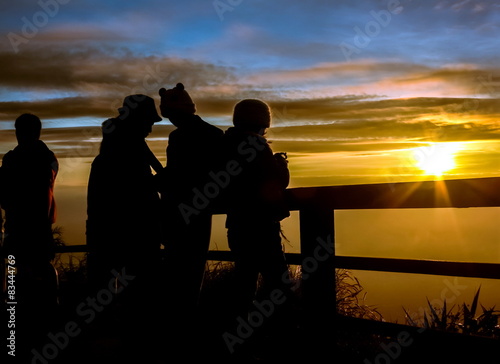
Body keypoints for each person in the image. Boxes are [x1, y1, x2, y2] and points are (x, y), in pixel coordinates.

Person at [86, 94, 164, 359]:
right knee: (139, 294)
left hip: (107, 233)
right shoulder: (129, 152)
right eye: (149, 121)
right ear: (138, 120)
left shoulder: (116, 148)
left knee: (105, 292)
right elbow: (137, 191)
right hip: (133, 233)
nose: (151, 127)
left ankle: (112, 341)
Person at [221, 99, 293, 322]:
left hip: (237, 223)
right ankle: (275, 333)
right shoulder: (257, 147)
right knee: (278, 283)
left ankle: (237, 332)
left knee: (244, 280)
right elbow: (275, 182)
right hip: (261, 225)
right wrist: (281, 165)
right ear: (262, 123)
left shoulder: (225, 145)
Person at [158, 83, 224, 314]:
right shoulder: (214, 134)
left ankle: (178, 319)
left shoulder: (178, 137)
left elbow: (177, 175)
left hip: (178, 210)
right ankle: (186, 316)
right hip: (200, 209)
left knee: (178, 266)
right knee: (192, 267)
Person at [0, 113, 59, 359]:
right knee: (41, 289)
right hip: (37, 234)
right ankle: (43, 341)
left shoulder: (13, 160)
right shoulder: (47, 159)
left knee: (18, 289)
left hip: (20, 232)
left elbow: (4, 195)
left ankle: (16, 343)